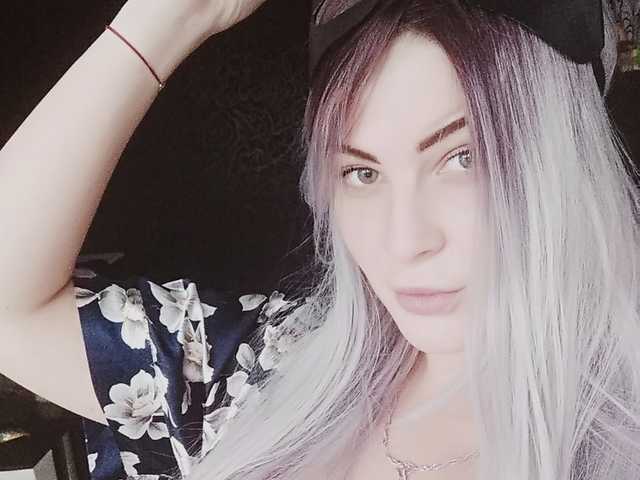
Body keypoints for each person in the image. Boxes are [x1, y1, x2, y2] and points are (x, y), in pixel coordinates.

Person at [1, 0, 640, 479]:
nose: (405, 240)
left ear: (565, 157)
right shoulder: (259, 365)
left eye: (463, 158)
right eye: (362, 172)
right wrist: (167, 19)